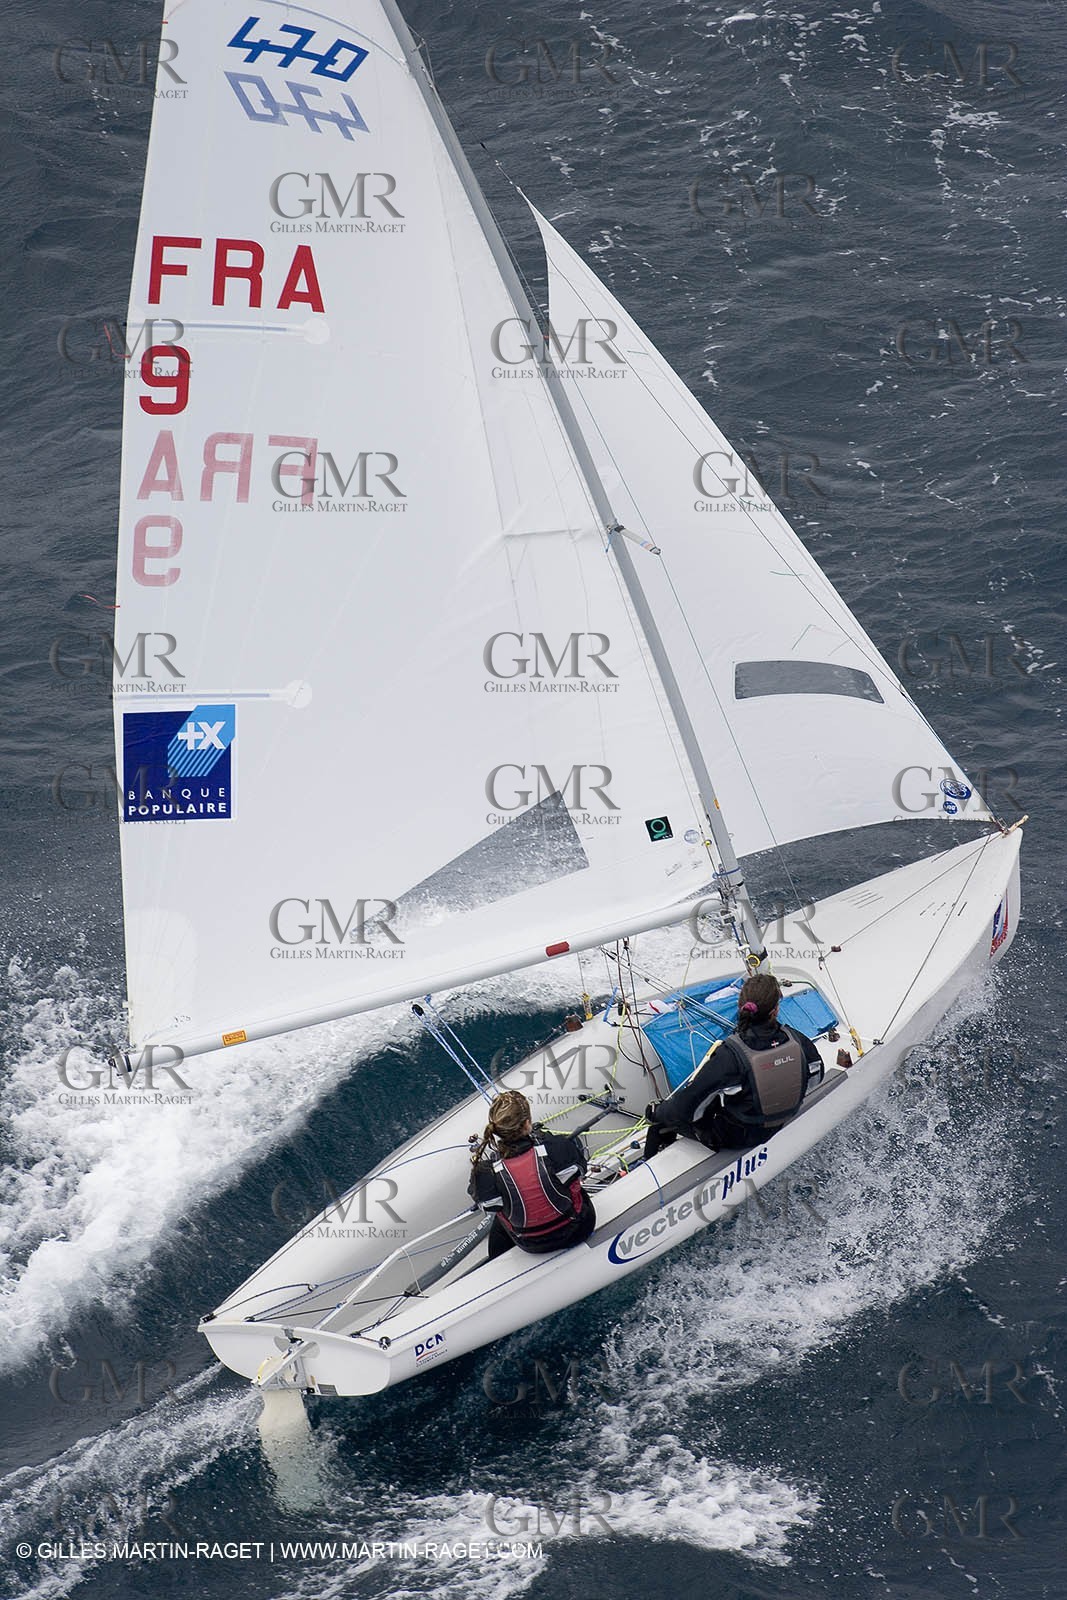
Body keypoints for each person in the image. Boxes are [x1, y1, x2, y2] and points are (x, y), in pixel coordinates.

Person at [644, 973, 824, 1156]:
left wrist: (656, 1112)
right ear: (775, 1010)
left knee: (662, 1122)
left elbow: (685, 1108)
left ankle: (648, 1172)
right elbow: (816, 1075)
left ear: (740, 1006)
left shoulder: (731, 1056)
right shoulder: (797, 1039)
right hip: (784, 1119)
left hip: (739, 1137)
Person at [469, 1089, 596, 1259]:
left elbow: (483, 1202)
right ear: (528, 1123)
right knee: (571, 1184)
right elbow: (581, 1169)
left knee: (500, 1217)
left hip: (531, 1245)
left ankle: (497, 1266)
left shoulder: (486, 1171)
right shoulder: (554, 1146)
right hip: (579, 1229)